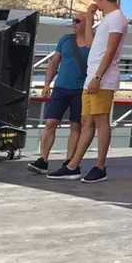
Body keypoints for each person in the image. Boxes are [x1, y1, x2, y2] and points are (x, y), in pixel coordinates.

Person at [47, 0, 128, 183]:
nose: (95, 3)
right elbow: (93, 44)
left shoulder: (117, 18)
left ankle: (100, 166)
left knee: (101, 122)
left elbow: (110, 51)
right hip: (93, 77)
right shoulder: (108, 19)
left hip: (102, 79)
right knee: (86, 122)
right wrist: (90, 19)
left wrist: (98, 77)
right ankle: (73, 165)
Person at [27, 13, 90, 175]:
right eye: (73, 20)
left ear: (87, 23)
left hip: (80, 90)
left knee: (76, 126)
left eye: (77, 21)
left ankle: (69, 161)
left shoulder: (93, 43)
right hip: (61, 87)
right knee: (50, 123)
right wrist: (47, 84)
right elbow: (54, 62)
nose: (74, 23)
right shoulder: (65, 39)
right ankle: (43, 160)